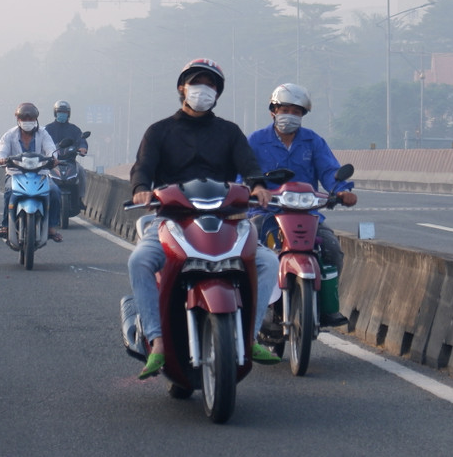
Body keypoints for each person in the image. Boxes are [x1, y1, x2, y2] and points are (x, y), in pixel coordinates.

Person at [129, 58, 281, 380]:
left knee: (267, 262)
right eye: (197, 83)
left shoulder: (229, 132)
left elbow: (250, 165)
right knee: (140, 261)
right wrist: (142, 189)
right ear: (182, 88)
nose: (204, 90)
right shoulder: (159, 131)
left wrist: (258, 186)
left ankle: (251, 336)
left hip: (227, 221)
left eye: (211, 85)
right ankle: (156, 341)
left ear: (218, 93)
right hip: (172, 221)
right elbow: (142, 168)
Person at [246, 83, 357, 328]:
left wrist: (341, 191)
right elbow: (241, 173)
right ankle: (256, 309)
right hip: (265, 212)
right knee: (251, 251)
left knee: (331, 249)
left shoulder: (313, 141)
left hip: (306, 214)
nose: (290, 115)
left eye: (296, 112)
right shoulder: (256, 140)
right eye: (284, 109)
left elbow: (330, 171)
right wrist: (247, 192)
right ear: (273, 111)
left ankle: (327, 307)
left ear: (303, 115)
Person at [0, 102, 63, 242]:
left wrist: (54, 159)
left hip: (40, 173)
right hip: (15, 174)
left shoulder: (43, 133)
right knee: (9, 192)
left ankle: (51, 226)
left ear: (35, 119)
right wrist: (1, 159)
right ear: (18, 120)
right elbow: (1, 151)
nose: (27, 122)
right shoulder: (9, 135)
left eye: (30, 119)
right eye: (24, 119)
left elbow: (50, 149)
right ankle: (6, 224)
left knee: (55, 192)